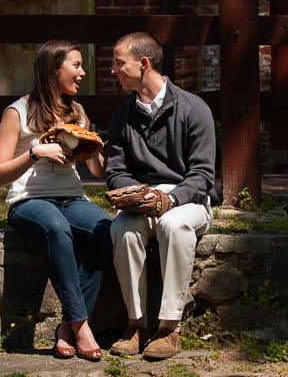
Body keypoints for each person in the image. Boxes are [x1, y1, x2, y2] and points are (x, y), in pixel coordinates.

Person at [0, 40, 112, 361]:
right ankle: (82, 326)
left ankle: (66, 327)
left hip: (72, 198)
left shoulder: (78, 112)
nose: (83, 72)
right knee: (57, 228)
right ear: (54, 69)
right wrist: (34, 152)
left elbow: (98, 172)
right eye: (76, 65)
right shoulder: (17, 112)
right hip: (29, 201)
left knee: (107, 228)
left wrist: (93, 150)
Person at [106, 32, 219, 359]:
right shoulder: (121, 118)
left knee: (172, 225)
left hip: (189, 200)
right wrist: (136, 194)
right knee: (122, 230)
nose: (113, 70)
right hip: (140, 200)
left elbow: (202, 175)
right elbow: (115, 172)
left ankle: (169, 329)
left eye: (119, 63)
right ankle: (136, 326)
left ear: (143, 64)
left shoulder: (194, 109)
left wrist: (168, 199)